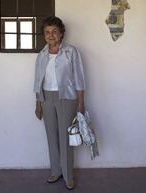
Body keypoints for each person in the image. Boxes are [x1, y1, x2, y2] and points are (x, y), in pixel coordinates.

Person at [33, 16, 85, 190]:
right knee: (51, 137)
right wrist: (38, 103)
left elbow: (79, 78)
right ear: (44, 35)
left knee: (65, 138)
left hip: (67, 98)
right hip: (46, 98)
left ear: (61, 33)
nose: (51, 35)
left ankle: (68, 176)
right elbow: (37, 80)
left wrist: (80, 103)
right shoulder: (42, 55)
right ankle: (56, 171)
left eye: (55, 31)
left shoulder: (71, 52)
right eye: (47, 32)